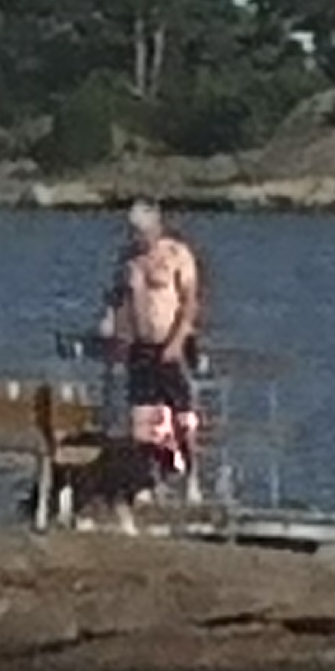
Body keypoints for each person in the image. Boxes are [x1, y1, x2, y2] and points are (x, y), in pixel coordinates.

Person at [101, 199, 205, 494]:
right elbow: (117, 297)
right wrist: (112, 324)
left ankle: (192, 478)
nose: (138, 237)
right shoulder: (129, 260)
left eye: (142, 231)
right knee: (144, 421)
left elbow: (190, 303)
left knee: (183, 418)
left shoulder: (176, 255)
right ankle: (151, 479)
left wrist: (178, 340)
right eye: (133, 232)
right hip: (141, 347)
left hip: (171, 343)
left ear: (156, 227)